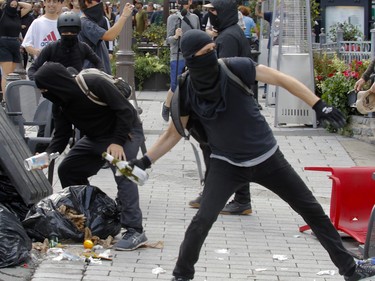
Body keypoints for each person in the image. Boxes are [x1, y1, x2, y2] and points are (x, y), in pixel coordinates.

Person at [128, 28, 375, 281]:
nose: (212, 55)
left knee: (313, 211)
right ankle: (181, 276)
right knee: (202, 221)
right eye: (206, 52)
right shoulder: (187, 89)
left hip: (268, 157)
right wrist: (145, 161)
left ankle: (350, 269)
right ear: (192, 59)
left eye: (213, 49)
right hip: (226, 164)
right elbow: (173, 133)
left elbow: (281, 79)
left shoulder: (236, 67)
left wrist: (318, 104)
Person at [34, 61, 148, 251]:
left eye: (45, 89)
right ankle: (88, 216)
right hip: (96, 137)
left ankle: (135, 230)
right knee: (68, 169)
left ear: (56, 84)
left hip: (125, 132)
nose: (44, 94)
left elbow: (126, 110)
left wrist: (117, 141)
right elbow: (61, 136)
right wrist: (47, 155)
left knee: (124, 173)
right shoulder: (60, 104)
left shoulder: (92, 83)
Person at [189, 0, 253, 215]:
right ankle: (214, 194)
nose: (211, 15)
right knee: (221, 151)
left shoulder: (228, 38)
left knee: (221, 151)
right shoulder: (230, 33)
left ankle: (239, 199)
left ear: (224, 12)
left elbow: (222, 73)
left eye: (214, 11)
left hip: (227, 105)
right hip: (233, 103)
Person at [27, 11, 103, 80]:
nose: (69, 34)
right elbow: (33, 68)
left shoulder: (83, 47)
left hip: (77, 87)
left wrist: (95, 78)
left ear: (78, 31)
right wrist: (39, 83)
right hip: (55, 88)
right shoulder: (51, 47)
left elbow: (99, 63)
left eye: (72, 32)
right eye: (65, 32)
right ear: (60, 31)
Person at [160, 0, 200, 122]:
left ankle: (188, 110)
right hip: (177, 55)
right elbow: (168, 40)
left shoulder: (195, 18)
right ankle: (167, 106)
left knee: (192, 83)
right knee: (175, 84)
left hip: (192, 55)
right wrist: (176, 36)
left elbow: (198, 34)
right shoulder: (173, 18)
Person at [78, 0, 134, 74]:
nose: (100, 3)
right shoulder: (85, 23)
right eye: (97, 0)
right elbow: (109, 36)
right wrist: (124, 16)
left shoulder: (89, 22)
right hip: (94, 75)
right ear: (87, 2)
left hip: (97, 74)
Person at [0, 0, 31, 99]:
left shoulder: (17, 14)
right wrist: (6, 1)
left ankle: (9, 96)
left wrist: (17, 2)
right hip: (3, 43)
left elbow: (29, 6)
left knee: (11, 73)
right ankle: (5, 99)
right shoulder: (2, 13)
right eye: (11, 5)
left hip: (15, 43)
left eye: (15, 5)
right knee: (7, 74)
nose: (13, 7)